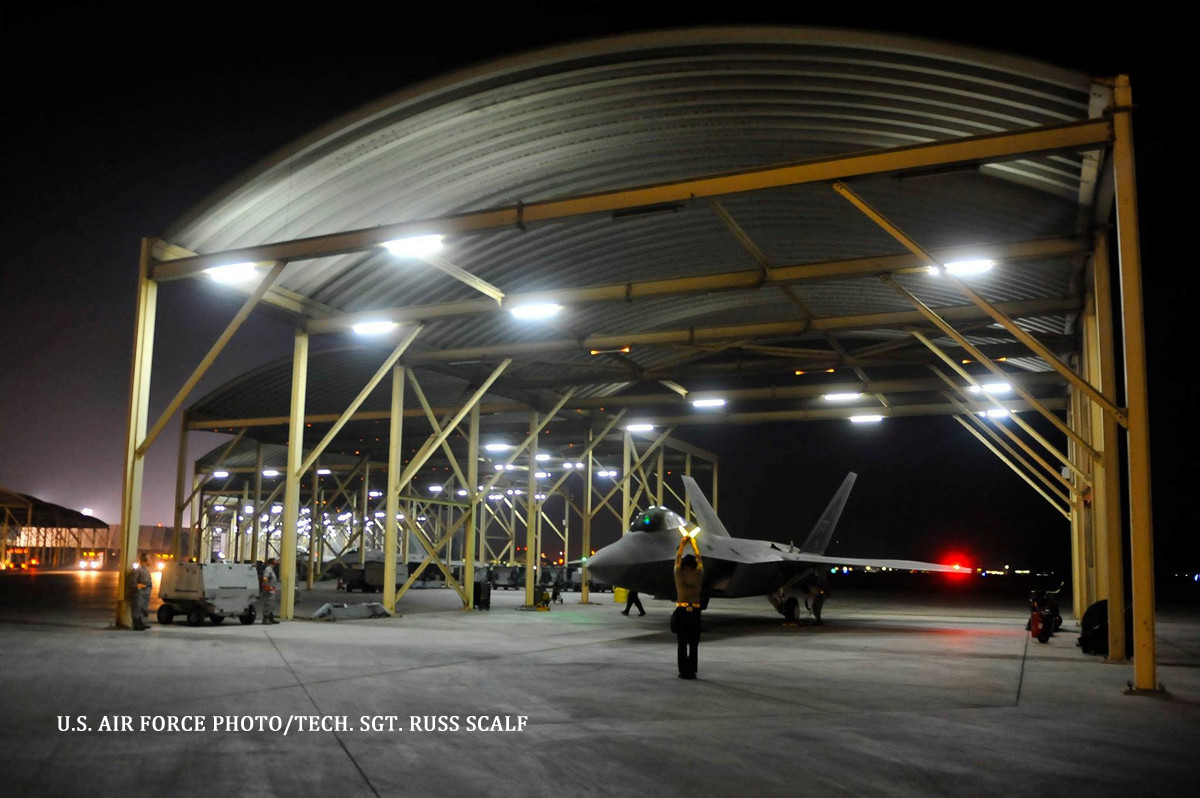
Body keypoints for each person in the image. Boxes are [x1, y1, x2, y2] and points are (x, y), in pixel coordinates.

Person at [672, 533, 704, 679]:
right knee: (693, 643)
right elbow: (700, 558)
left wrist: (683, 543)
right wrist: (694, 544)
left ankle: (683, 670)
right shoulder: (698, 574)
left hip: (682, 611)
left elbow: (677, 558)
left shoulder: (679, 574)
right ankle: (692, 670)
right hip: (695, 611)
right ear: (694, 566)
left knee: (682, 643)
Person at [127, 553, 152, 630]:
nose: (151, 561)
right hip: (139, 593)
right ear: (145, 560)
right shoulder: (138, 570)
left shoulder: (145, 570)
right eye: (149, 559)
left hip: (144, 593)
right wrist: (143, 586)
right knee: (137, 608)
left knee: (142, 608)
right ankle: (136, 624)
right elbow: (132, 583)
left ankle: (140, 622)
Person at [259, 557, 280, 624]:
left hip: (272, 589)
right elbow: (265, 578)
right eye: (274, 563)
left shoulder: (271, 569)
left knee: (271, 604)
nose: (275, 564)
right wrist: (268, 587)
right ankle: (265, 619)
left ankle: (271, 618)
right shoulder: (268, 569)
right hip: (269, 590)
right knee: (268, 604)